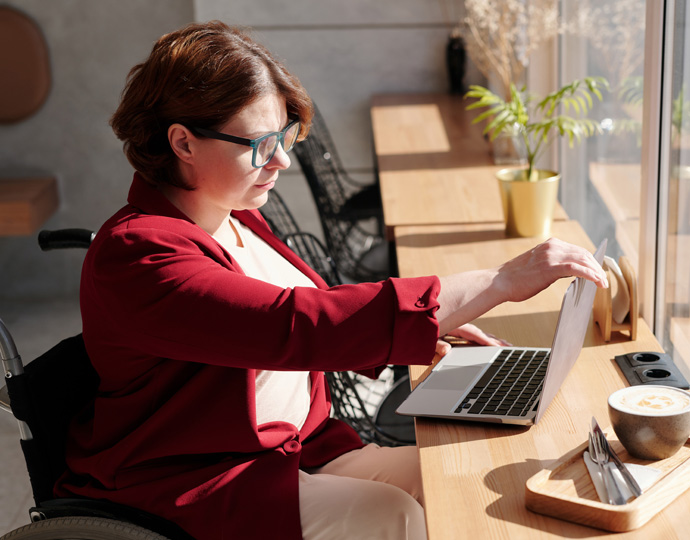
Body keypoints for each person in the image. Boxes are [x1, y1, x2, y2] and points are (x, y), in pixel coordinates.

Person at [53, 21, 607, 540]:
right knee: (395, 516)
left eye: (284, 137)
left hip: (296, 448)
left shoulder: (234, 213)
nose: (281, 162)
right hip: (199, 476)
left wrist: (434, 329)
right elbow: (294, 325)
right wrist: (502, 281)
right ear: (183, 143)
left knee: (459, 473)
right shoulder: (137, 254)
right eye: (259, 145)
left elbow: (306, 309)